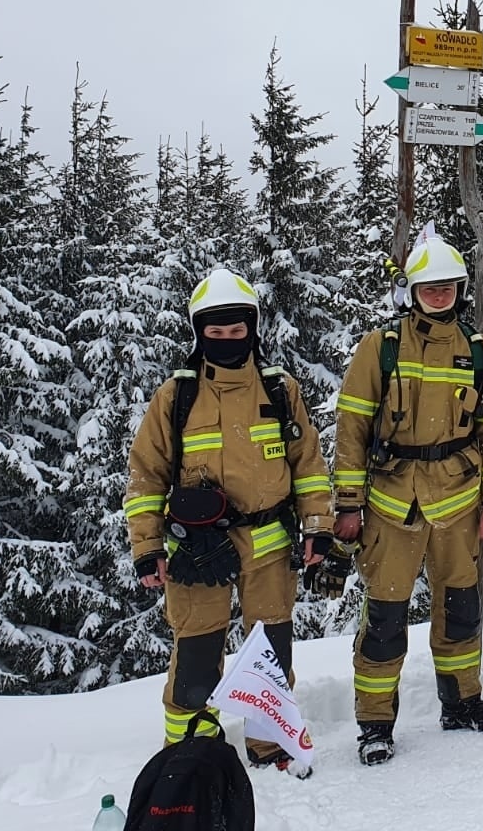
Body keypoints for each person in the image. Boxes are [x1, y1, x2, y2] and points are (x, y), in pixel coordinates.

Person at [122, 268, 333, 774]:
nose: (226, 340)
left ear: (252, 329)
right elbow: (146, 477)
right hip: (197, 550)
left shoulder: (279, 390)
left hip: (269, 545)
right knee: (196, 653)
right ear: (199, 334)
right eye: (215, 332)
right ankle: (192, 751)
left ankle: (270, 742)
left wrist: (318, 527)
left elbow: (308, 465)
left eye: (236, 330)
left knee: (270, 652)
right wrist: (147, 547)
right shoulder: (176, 397)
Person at [332, 233, 483, 765]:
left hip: (458, 499)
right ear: (412, 291)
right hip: (393, 502)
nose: (439, 295)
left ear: (460, 290)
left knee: (461, 610)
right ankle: (374, 723)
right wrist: (348, 503)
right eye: (429, 288)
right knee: (385, 618)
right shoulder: (381, 346)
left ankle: (461, 703)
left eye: (447, 287)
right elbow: (352, 429)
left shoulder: (477, 351)